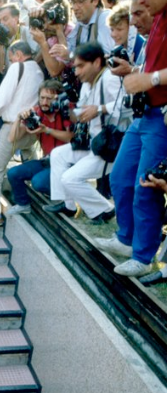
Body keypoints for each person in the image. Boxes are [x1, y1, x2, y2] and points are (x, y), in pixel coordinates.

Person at [96, 0, 167, 277]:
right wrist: (134, 73)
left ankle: (143, 256)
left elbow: (154, 78)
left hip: (160, 119)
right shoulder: (157, 21)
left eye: (140, 11)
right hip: (143, 116)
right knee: (120, 177)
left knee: (145, 187)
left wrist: (149, 80)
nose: (135, 19)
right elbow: (150, 73)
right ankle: (126, 239)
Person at [44, 42, 121, 226]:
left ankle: (105, 209)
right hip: (95, 143)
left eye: (80, 66)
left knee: (69, 178)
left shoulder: (110, 78)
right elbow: (81, 113)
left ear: (96, 63)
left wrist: (100, 109)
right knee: (58, 155)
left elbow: (126, 106)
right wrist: (64, 107)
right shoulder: (87, 85)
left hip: (112, 146)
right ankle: (68, 205)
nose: (77, 72)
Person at [0, 39, 44, 225]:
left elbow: (2, 98)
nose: (10, 63)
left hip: (12, 127)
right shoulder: (39, 70)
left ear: (18, 54)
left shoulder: (17, 68)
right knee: (29, 164)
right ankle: (28, 200)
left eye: (10, 58)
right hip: (31, 129)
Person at [5, 80, 74, 215]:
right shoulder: (38, 113)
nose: (44, 102)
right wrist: (19, 118)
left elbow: (71, 137)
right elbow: (12, 138)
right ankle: (23, 204)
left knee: (38, 182)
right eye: (42, 98)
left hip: (66, 164)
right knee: (13, 173)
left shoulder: (66, 111)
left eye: (49, 99)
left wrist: (47, 130)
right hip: (47, 161)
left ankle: (68, 197)